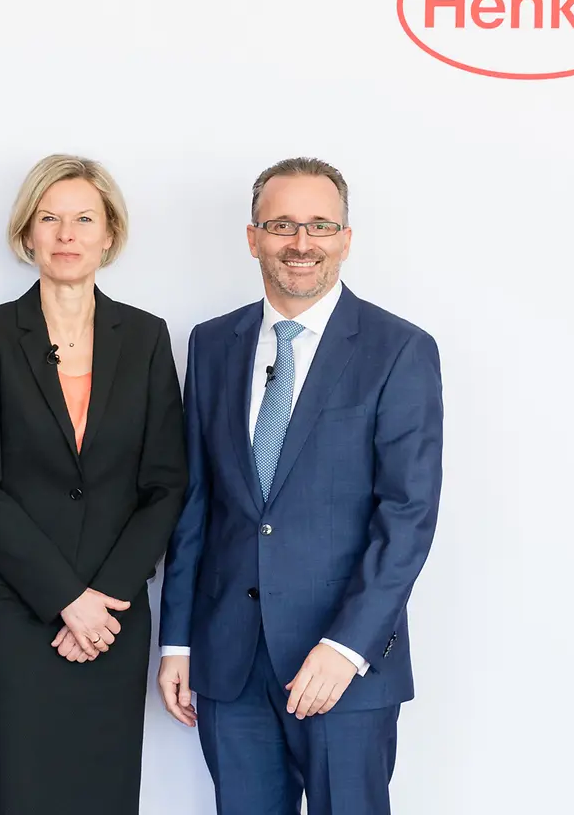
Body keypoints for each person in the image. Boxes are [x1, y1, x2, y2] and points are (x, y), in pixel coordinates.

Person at [157, 157, 443, 815]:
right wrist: (178, 642)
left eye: (319, 225)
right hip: (230, 664)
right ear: (253, 237)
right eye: (282, 224)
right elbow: (195, 503)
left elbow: (406, 515)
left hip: (343, 665)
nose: (301, 243)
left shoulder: (397, 349)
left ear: (346, 237)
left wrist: (346, 648)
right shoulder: (210, 345)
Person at [0, 154, 187, 814]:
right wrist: (63, 598)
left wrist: (102, 598)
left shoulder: (143, 337)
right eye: (48, 218)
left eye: (83, 218)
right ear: (26, 234)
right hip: (14, 616)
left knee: (104, 795)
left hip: (113, 619)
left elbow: (165, 484)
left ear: (109, 233)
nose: (65, 234)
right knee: (20, 794)